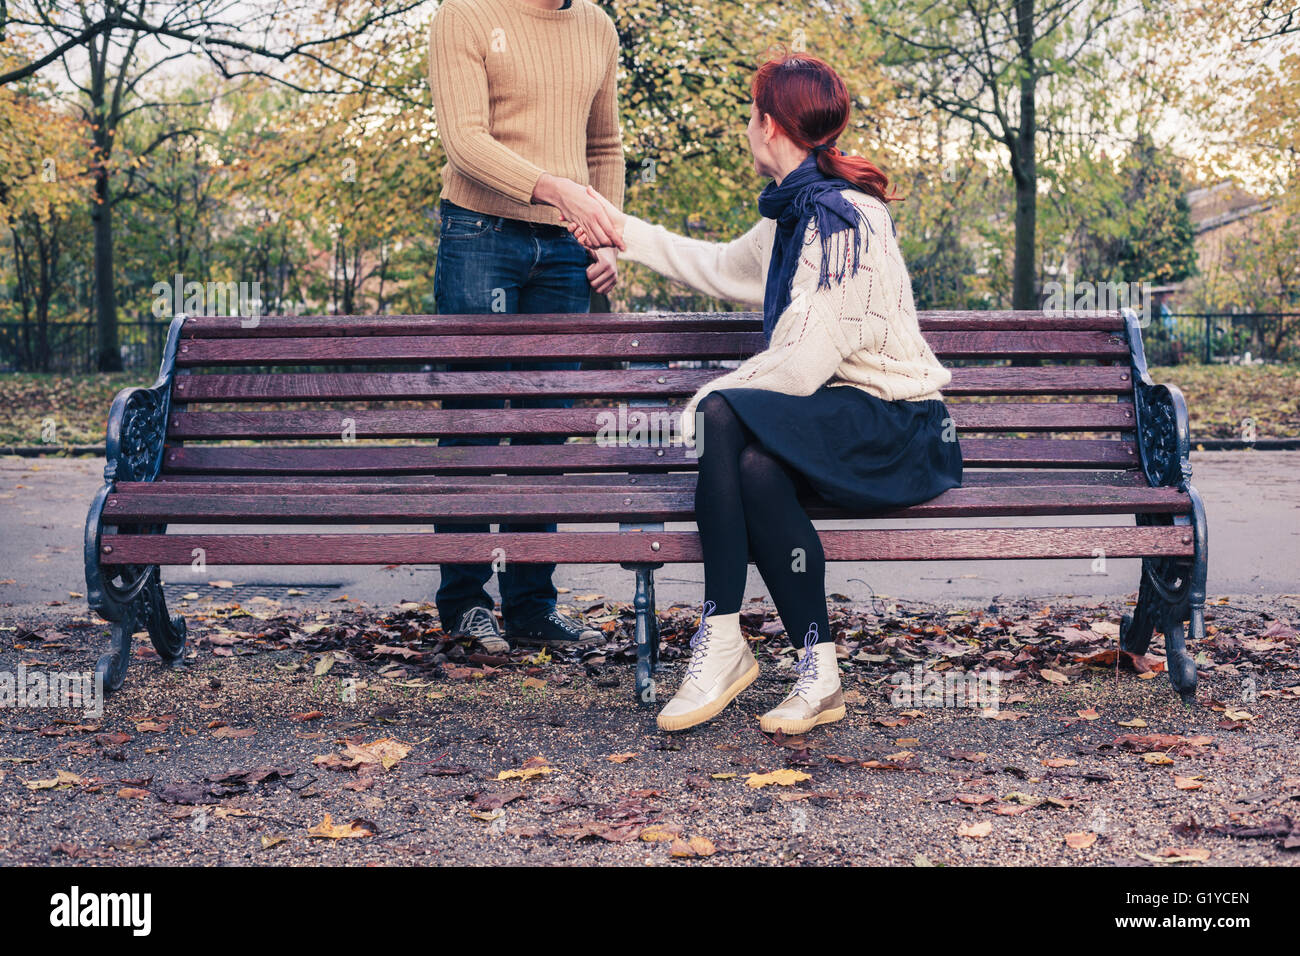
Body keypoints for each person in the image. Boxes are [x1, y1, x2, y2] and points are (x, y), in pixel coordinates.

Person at [568, 52, 964, 734]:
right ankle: (819, 674)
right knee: (753, 467)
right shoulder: (790, 219)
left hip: (896, 428)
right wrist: (616, 227)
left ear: (771, 125)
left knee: (725, 413)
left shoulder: (846, 223)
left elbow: (803, 364)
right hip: (837, 421)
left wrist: (705, 403)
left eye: (751, 116)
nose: (747, 129)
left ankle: (721, 639)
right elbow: (718, 266)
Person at [426, 0, 625, 653]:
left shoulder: (596, 24)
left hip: (567, 251)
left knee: (547, 428)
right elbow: (464, 140)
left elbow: (604, 147)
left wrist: (607, 238)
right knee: (473, 426)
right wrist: (557, 189)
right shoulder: (466, 13)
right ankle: (464, 607)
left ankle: (533, 607)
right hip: (479, 236)